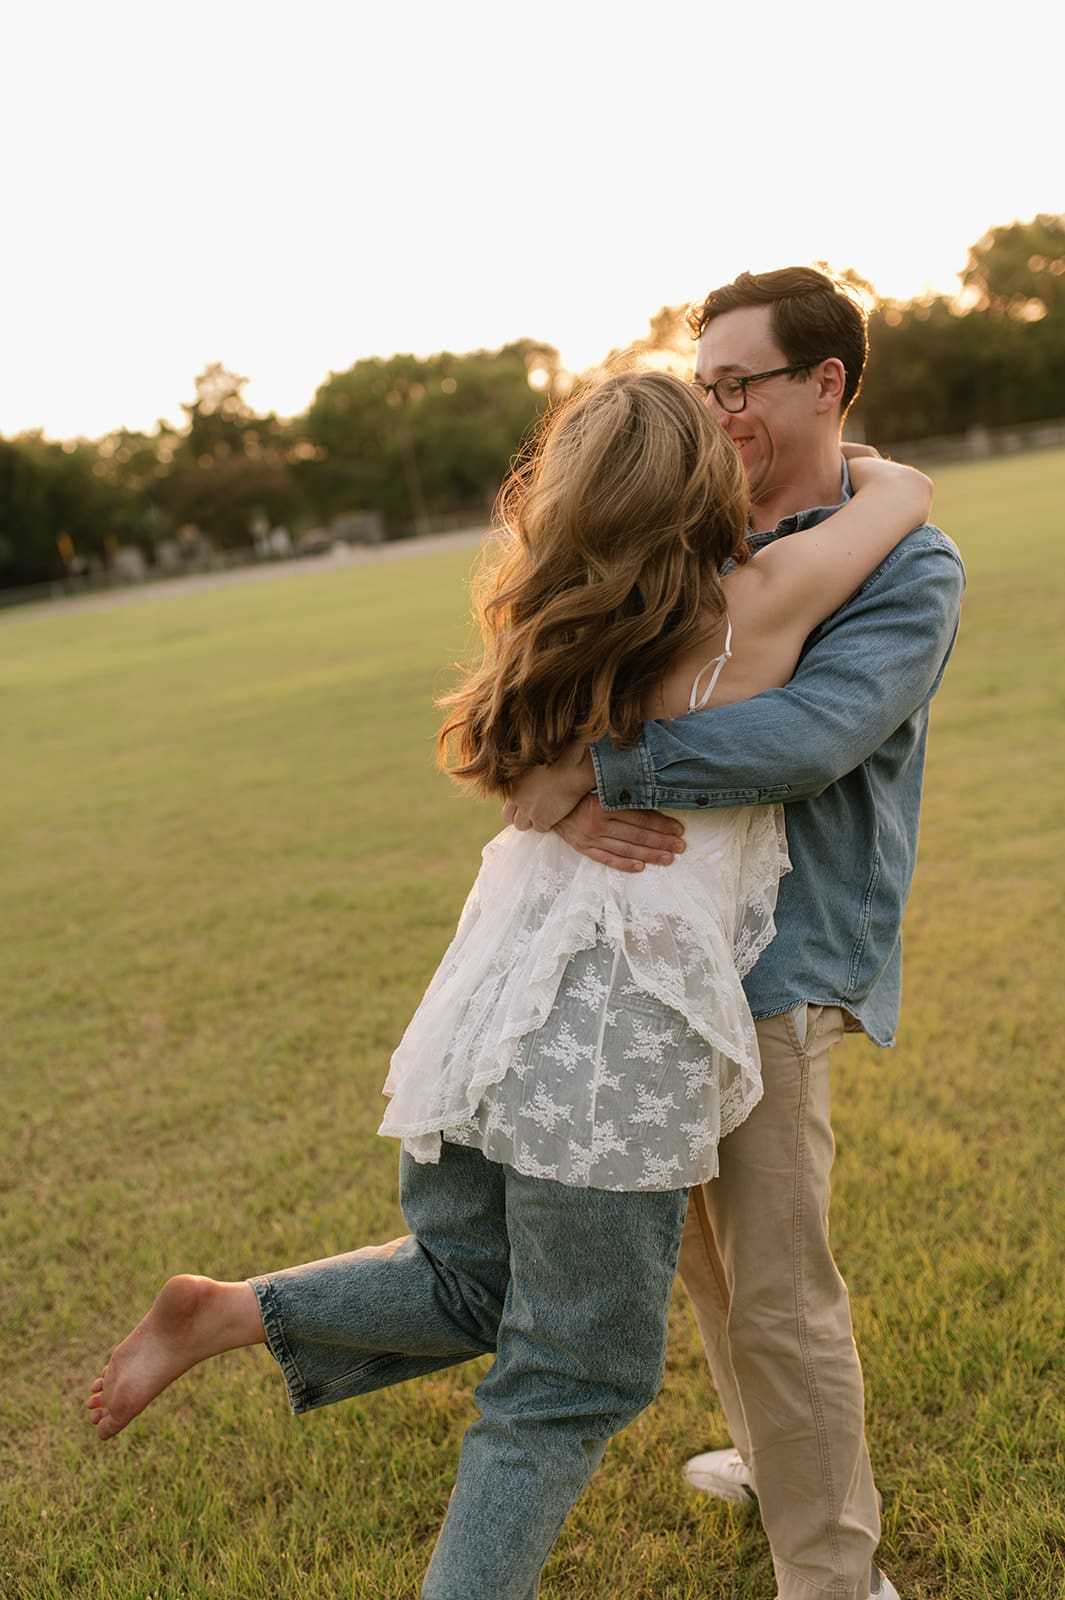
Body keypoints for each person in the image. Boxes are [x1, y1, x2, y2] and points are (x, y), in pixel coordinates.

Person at [87, 367, 933, 1600]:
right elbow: (899, 494)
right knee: (571, 1376)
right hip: (610, 1037)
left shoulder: (543, 620)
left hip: (489, 1009)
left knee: (467, 1280)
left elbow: (508, 771)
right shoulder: (745, 608)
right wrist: (850, 458)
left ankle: (228, 1311)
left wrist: (579, 782)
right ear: (700, 491)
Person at [502, 269, 966, 1600]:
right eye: (702, 385)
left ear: (825, 384)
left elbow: (810, 739)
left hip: (779, 952)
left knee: (777, 1283)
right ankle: (775, 1460)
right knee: (702, 1261)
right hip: (647, 944)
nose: (717, 410)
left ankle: (831, 1574)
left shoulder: (907, 560)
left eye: (739, 385)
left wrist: (603, 767)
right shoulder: (693, 517)